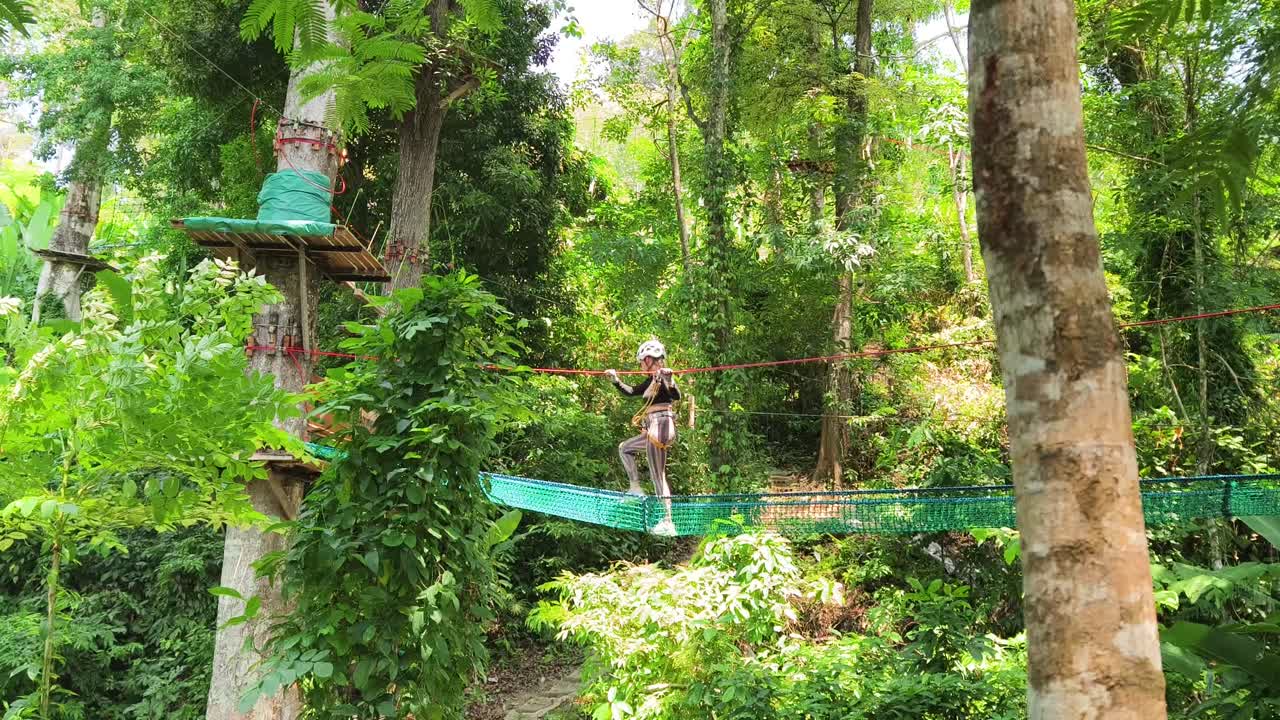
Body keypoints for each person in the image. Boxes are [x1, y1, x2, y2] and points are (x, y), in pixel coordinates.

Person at [606, 339, 680, 536]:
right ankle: (635, 488)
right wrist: (616, 380)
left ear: (649, 359)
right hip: (653, 428)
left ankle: (668, 521)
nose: (640, 365)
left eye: (641, 361)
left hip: (661, 427)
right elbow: (632, 391)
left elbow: (675, 394)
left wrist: (670, 380)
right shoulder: (650, 380)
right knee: (625, 448)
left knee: (658, 475)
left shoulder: (663, 377)